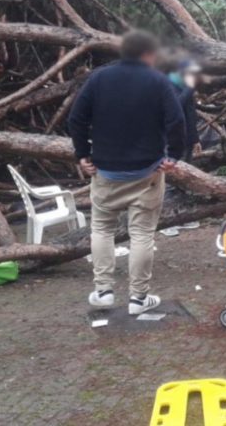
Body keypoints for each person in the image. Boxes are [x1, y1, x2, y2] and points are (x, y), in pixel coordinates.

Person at [68, 31, 185, 315]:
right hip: (148, 173)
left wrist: (82, 154)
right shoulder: (158, 80)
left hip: (105, 172)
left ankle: (104, 291)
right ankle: (138, 298)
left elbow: (76, 118)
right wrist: (173, 157)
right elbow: (177, 121)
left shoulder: (98, 78)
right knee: (142, 234)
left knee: (102, 229)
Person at [169, 59, 202, 162]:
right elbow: (175, 106)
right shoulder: (169, 85)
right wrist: (189, 89)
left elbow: (190, 114)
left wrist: (195, 139)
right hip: (173, 141)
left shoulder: (185, 87)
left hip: (187, 140)